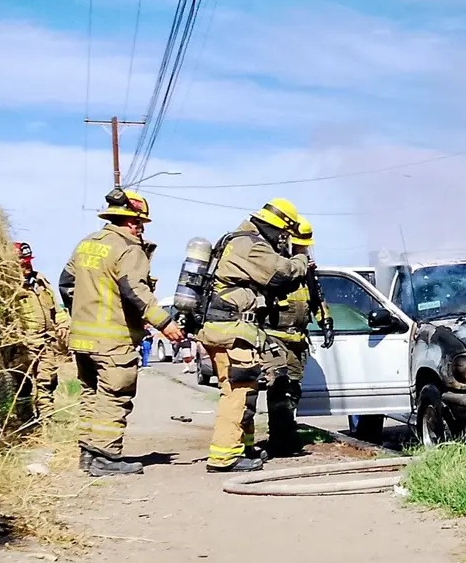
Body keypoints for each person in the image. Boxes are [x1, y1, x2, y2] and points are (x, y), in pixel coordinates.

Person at [60, 189, 183, 476]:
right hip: (113, 339)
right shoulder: (128, 248)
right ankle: (107, 457)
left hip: (82, 337)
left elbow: (66, 283)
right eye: (140, 223)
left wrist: (80, 314)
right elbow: (135, 291)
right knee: (115, 395)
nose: (141, 229)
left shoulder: (87, 244)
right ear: (132, 222)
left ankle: (89, 455)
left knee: (92, 395)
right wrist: (165, 323)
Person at [198, 199, 311, 473]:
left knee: (242, 391)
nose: (282, 241)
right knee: (237, 394)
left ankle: (243, 448)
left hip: (225, 329)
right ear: (277, 228)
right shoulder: (250, 245)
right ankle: (225, 457)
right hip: (233, 330)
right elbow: (282, 274)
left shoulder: (235, 240)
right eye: (283, 235)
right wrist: (301, 256)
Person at [259, 217, 335, 457]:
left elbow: (316, 295)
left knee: (293, 389)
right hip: (274, 337)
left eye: (305, 246)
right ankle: (280, 440)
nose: (302, 250)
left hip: (297, 340)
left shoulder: (306, 269)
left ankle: (286, 432)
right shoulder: (275, 265)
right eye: (298, 245)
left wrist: (326, 322)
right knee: (279, 386)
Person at [13, 242, 68, 419]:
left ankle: (47, 419)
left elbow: (57, 311)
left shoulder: (41, 282)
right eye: (23, 264)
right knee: (23, 384)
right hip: (25, 345)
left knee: (48, 381)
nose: (27, 267)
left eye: (29, 263)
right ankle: (26, 422)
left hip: (47, 342)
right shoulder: (9, 288)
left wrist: (64, 325)